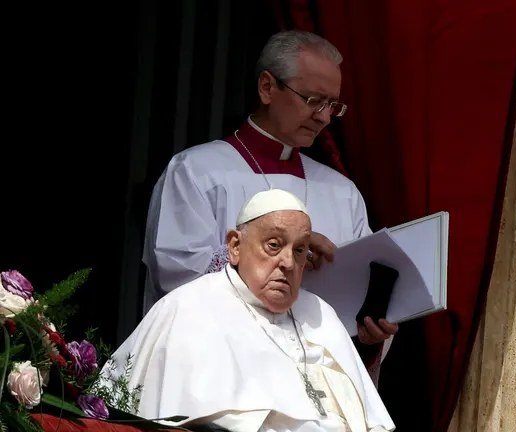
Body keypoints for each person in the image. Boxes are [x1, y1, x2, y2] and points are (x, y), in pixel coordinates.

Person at [141, 31, 397, 354]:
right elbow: (179, 281)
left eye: (333, 105)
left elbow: (357, 302)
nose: (324, 117)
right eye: (314, 101)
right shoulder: (196, 172)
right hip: (224, 368)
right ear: (267, 88)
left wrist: (371, 332)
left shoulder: (342, 193)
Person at [103, 189, 395, 432]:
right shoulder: (189, 307)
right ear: (235, 246)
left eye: (299, 250)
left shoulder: (320, 313)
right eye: (273, 245)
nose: (288, 263)